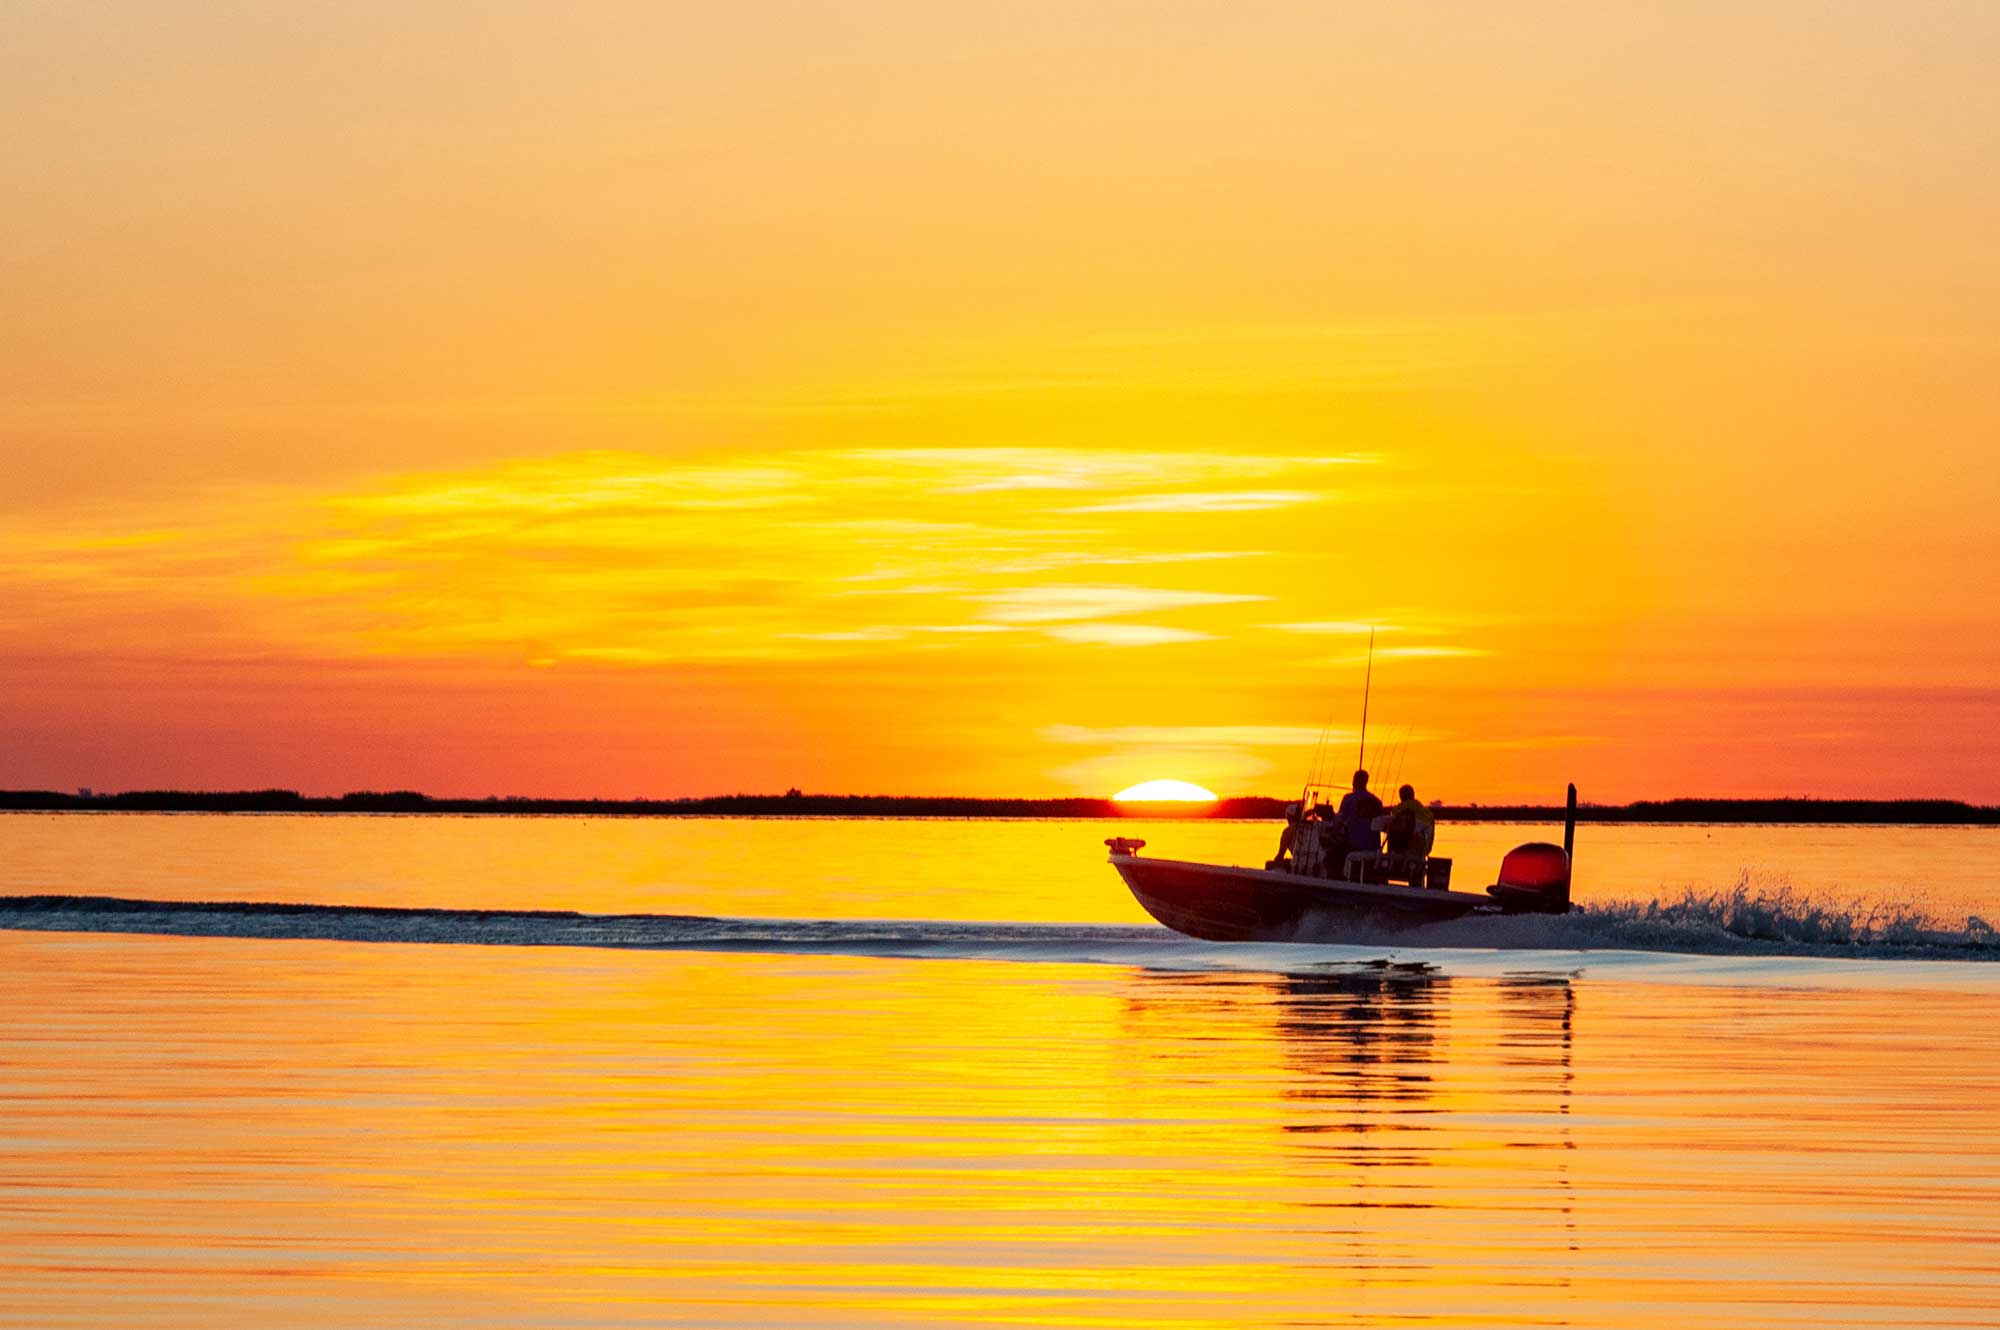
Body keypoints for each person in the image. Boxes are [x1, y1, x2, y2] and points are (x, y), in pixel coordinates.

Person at [1336, 770, 1383, 854]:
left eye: (1354, 779)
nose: (1353, 782)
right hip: (1374, 848)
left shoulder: (1349, 798)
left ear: (1356, 781)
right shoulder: (1376, 801)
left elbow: (1339, 820)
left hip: (1354, 845)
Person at [1383, 784, 1435, 856]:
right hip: (1423, 850)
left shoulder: (1399, 809)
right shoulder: (1428, 813)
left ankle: (1391, 855)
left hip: (1404, 849)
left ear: (1401, 797)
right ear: (1413, 795)